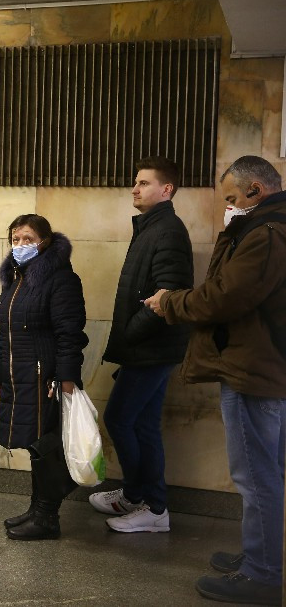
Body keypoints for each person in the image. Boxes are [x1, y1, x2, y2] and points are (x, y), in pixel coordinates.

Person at [145, 155, 286, 605]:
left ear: (255, 191)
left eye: (231, 199)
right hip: (265, 366)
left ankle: (263, 573)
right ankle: (263, 556)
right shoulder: (268, 227)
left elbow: (224, 297)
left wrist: (170, 302)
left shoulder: (266, 234)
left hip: (251, 370)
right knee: (269, 472)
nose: (227, 208)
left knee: (256, 476)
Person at [90, 157, 193, 533]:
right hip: (149, 348)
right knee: (144, 424)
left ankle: (144, 500)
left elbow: (168, 295)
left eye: (144, 183)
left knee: (119, 418)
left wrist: (130, 333)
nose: (135, 189)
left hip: (151, 348)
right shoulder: (152, 227)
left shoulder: (167, 231)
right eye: (135, 182)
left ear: (166, 190)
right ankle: (147, 502)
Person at [0, 214, 89, 541]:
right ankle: (37, 509)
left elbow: (70, 334)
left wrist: (66, 379)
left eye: (28, 239)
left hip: (45, 377)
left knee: (47, 444)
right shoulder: (15, 279)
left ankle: (47, 516)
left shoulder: (61, 279)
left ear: (44, 242)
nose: (20, 245)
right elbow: (5, 334)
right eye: (15, 240)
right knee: (36, 444)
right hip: (18, 375)